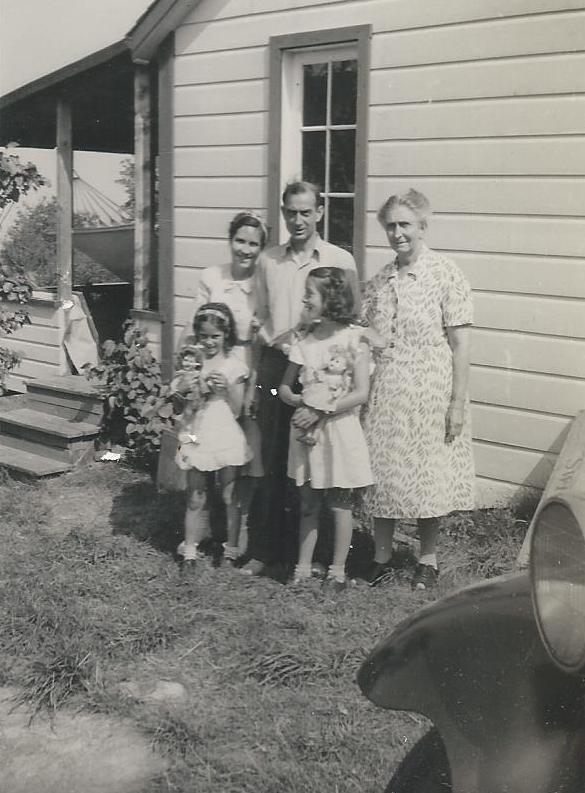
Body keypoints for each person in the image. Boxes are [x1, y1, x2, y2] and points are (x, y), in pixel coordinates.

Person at [361, 188, 474, 591]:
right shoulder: (379, 280)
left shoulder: (445, 273)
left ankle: (428, 559)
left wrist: (456, 404)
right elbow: (368, 334)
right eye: (390, 226)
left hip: (431, 390)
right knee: (384, 472)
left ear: (423, 226)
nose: (397, 233)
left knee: (428, 475)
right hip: (387, 391)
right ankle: (381, 557)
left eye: (405, 224)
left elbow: (461, 346)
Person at [247, 181, 358, 576]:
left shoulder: (340, 259)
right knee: (274, 456)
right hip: (278, 366)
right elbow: (258, 317)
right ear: (283, 213)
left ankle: (319, 556)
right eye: (291, 212)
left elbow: (352, 316)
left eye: (306, 212)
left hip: (326, 371)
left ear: (319, 213)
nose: (298, 220)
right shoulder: (269, 260)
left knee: (322, 460)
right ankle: (265, 551)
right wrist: (265, 355)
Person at [178, 211, 266, 560]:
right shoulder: (212, 276)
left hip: (247, 364)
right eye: (240, 241)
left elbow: (264, 333)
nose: (245, 249)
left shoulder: (263, 281)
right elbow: (194, 328)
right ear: (230, 241)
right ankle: (199, 530)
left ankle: (239, 534)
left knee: (244, 449)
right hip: (211, 363)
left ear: (261, 248)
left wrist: (254, 381)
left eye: (253, 244)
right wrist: (188, 370)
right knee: (204, 438)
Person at [279, 267, 373, 590]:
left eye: (310, 294)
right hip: (307, 433)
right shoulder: (304, 341)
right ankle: (303, 567)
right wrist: (299, 402)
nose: (304, 299)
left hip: (338, 431)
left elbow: (360, 392)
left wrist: (321, 409)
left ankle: (337, 571)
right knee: (308, 502)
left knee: (339, 503)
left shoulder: (354, 340)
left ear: (331, 299)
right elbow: (284, 388)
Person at [175, 302, 251, 569]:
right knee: (196, 495)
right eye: (204, 336)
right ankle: (190, 552)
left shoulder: (233, 365)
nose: (209, 342)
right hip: (196, 433)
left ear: (226, 335)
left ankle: (230, 551)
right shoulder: (191, 362)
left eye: (215, 336)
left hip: (224, 433)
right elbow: (178, 401)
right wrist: (184, 387)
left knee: (230, 495)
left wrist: (227, 388)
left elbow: (238, 410)